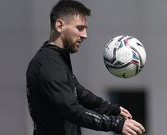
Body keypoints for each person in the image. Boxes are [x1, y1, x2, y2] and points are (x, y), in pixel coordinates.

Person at [26, 0, 145, 135]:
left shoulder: (57, 59)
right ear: (60, 25)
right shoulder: (47, 64)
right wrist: (116, 124)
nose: (85, 35)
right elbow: (72, 110)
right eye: (80, 28)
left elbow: (80, 93)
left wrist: (112, 109)